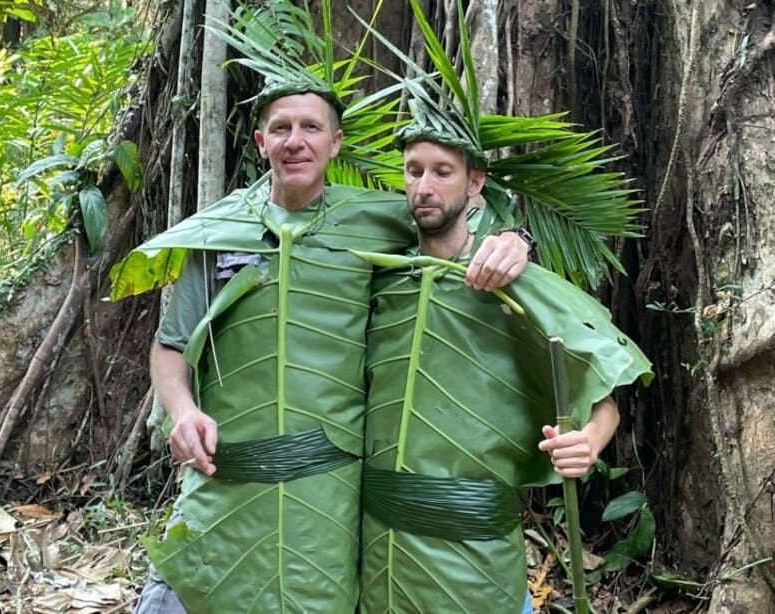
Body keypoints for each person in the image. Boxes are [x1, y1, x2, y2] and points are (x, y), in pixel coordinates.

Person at [128, 82, 532, 613]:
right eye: (281, 128)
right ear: (260, 142)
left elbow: (457, 224)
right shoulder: (221, 231)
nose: (296, 141)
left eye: (311, 128)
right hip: (223, 478)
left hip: (326, 496)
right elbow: (171, 346)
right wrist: (181, 412)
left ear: (336, 143)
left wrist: (519, 240)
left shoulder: (381, 221)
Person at [357, 111, 652, 613]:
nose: (424, 186)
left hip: (478, 553)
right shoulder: (380, 279)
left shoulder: (514, 288)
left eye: (442, 172)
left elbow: (605, 405)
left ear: (475, 182)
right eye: (413, 170)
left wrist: (588, 444)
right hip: (380, 550)